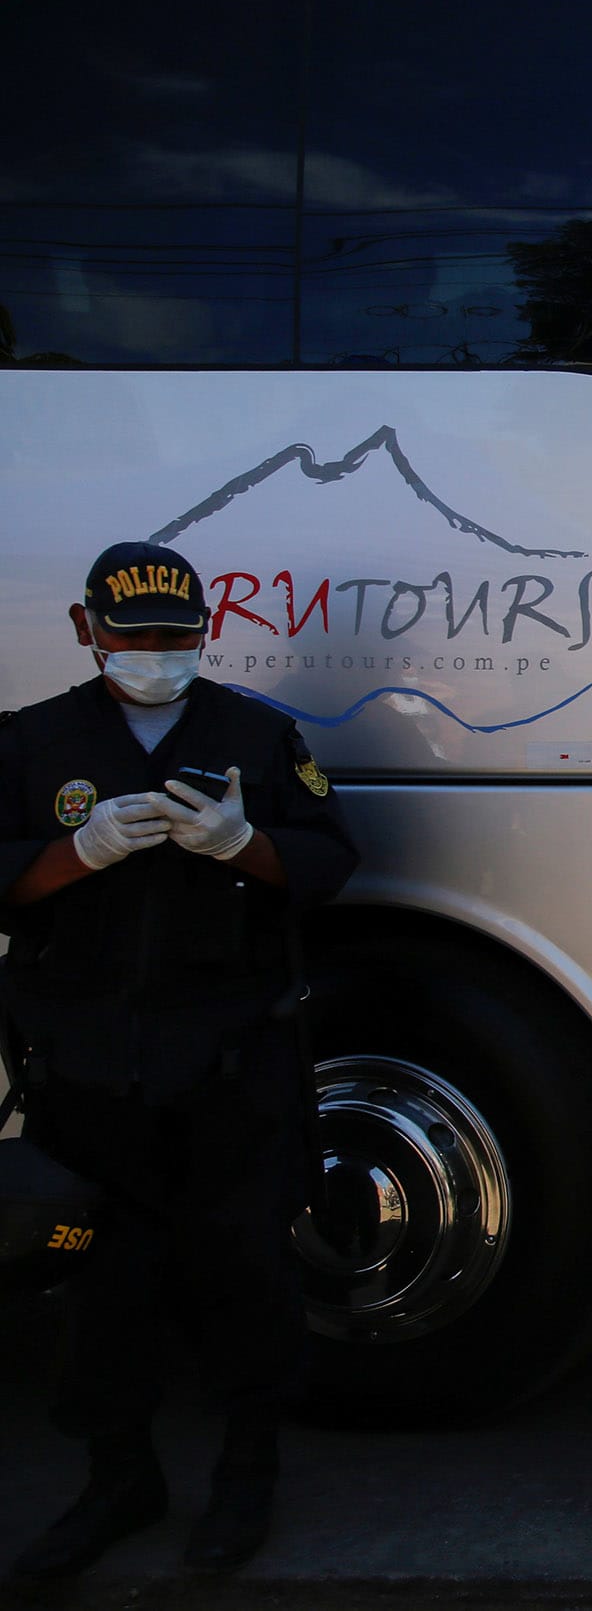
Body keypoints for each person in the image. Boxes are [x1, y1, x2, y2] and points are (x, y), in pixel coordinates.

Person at [3, 542, 358, 1582]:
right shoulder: (33, 741)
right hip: (84, 1063)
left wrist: (241, 843)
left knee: (244, 1272)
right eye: (134, 636)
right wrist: (78, 852)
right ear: (87, 630)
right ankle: (118, 1478)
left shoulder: (254, 733)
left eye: (177, 636)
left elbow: (330, 858)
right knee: (97, 1289)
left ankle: (245, 1477)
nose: (157, 654)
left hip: (225, 1056)